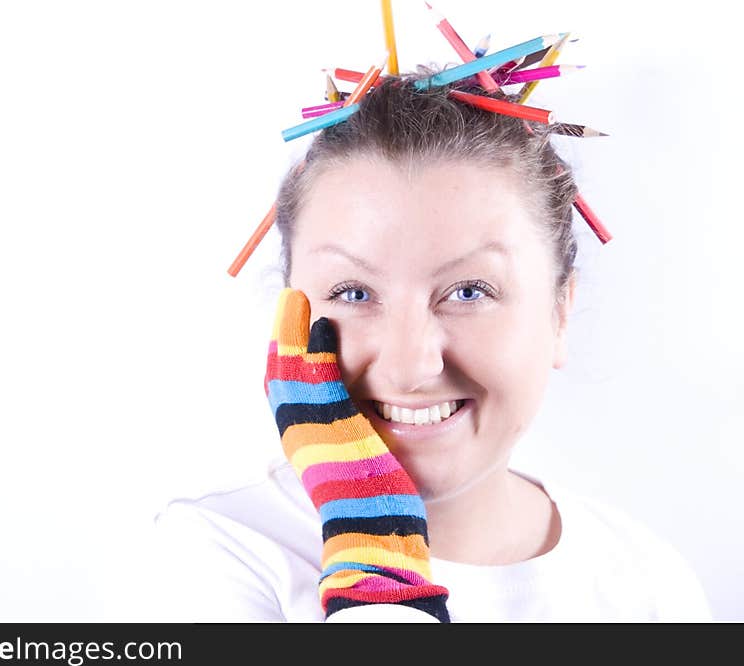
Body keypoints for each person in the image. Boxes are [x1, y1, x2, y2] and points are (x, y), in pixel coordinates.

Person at [153, 68, 713, 622]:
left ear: (560, 311)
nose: (411, 365)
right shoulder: (216, 558)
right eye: (352, 291)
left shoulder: (647, 584)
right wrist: (375, 549)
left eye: (469, 291)